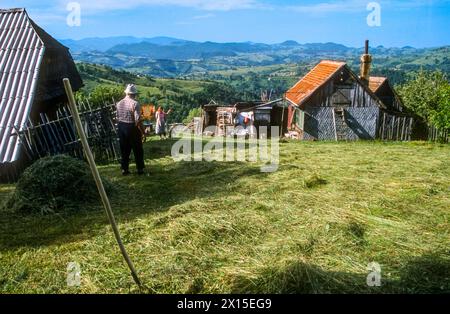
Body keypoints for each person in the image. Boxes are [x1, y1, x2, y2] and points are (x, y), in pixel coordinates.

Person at [116, 84, 145, 175]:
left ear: (126, 93)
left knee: (124, 149)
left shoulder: (119, 103)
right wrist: (143, 131)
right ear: (134, 94)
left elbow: (117, 117)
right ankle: (140, 169)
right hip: (132, 127)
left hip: (121, 127)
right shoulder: (135, 103)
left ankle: (124, 169)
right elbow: (137, 120)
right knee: (137, 149)